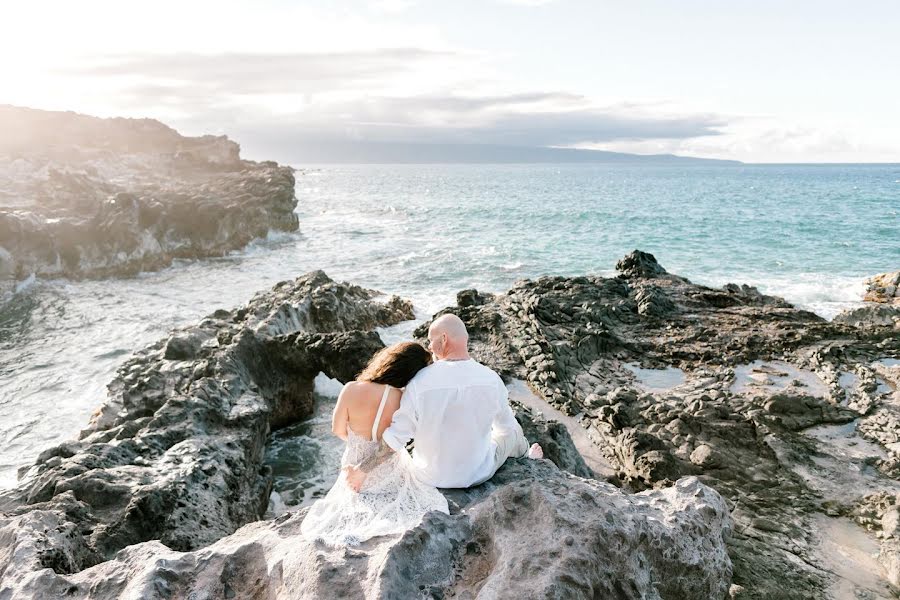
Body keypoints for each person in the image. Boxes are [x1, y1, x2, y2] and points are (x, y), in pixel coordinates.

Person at [346, 314, 542, 492]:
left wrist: (361, 471)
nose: (430, 347)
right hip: (478, 475)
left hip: (430, 477)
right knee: (513, 432)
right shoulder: (491, 379)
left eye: (431, 341)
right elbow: (507, 429)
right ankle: (529, 458)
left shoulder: (419, 382)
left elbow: (395, 439)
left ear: (444, 339)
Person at [300, 341, 448, 546]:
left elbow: (337, 429)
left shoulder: (351, 389)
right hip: (391, 476)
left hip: (354, 471)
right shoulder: (402, 398)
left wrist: (357, 442)